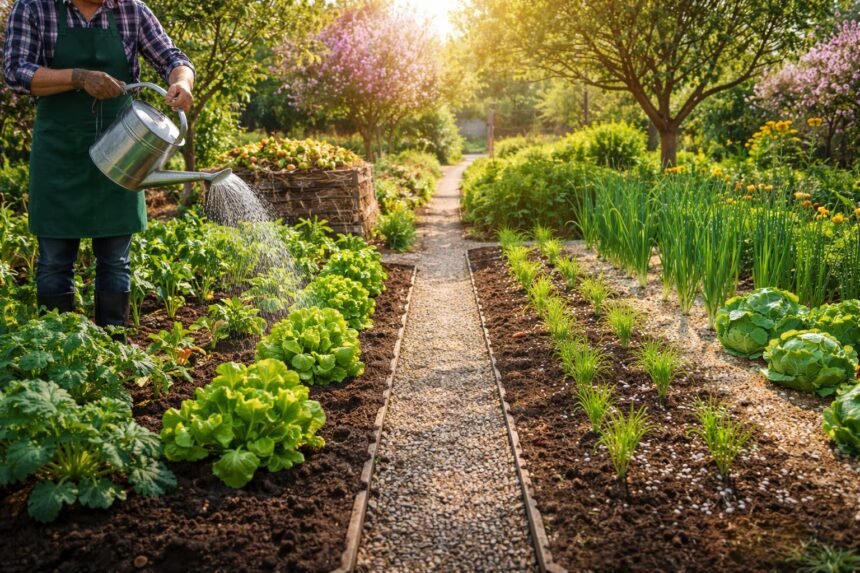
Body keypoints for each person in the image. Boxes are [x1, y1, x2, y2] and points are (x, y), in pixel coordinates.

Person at [2, 0, 194, 331]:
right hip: (60, 152)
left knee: (116, 261)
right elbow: (16, 72)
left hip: (123, 148)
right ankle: (57, 346)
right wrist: (78, 77)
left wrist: (183, 82)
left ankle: (112, 347)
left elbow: (175, 59)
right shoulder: (34, 7)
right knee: (54, 262)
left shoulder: (131, 10)